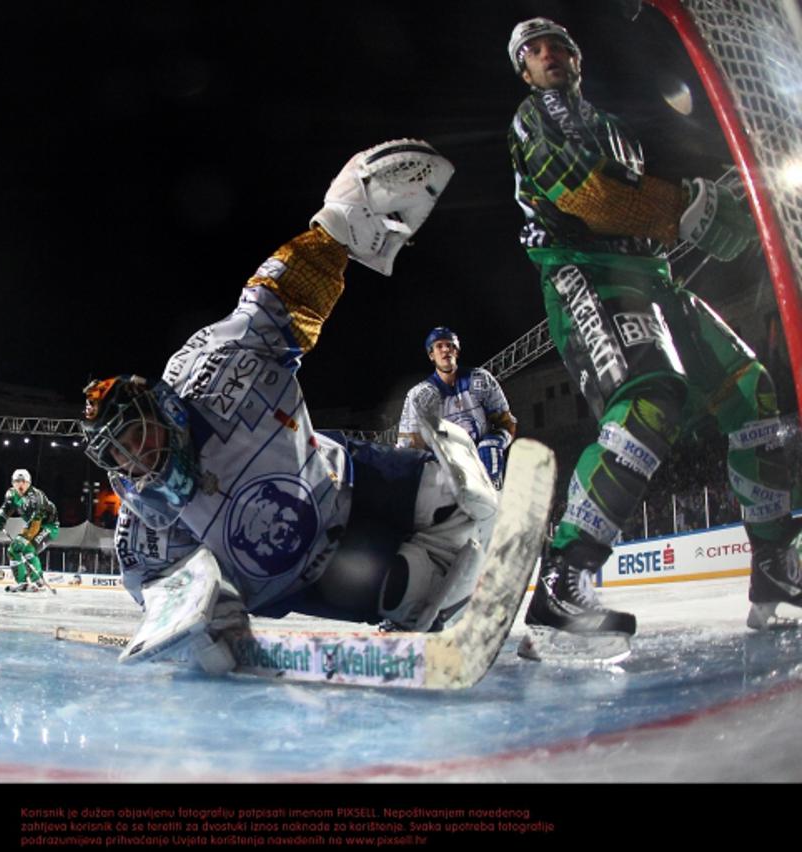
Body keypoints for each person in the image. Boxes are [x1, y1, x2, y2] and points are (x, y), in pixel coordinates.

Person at [80, 140, 501, 674]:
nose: (138, 459)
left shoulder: (221, 366)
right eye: (121, 456)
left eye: (137, 435)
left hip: (343, 480)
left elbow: (276, 297)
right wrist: (220, 630)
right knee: (413, 594)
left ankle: (461, 550)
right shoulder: (143, 528)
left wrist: (342, 223)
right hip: (314, 575)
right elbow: (175, 600)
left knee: (455, 501)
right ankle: (432, 601)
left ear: (160, 407)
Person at [506, 18, 802, 659]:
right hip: (585, 272)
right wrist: (686, 207)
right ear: (524, 71)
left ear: (577, 59)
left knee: (750, 392)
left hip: (652, 276)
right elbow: (590, 196)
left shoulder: (612, 126)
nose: (548, 54)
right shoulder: (535, 118)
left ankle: (775, 562)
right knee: (649, 398)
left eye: (560, 44)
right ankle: (565, 575)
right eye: (533, 51)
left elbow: (654, 208)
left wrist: (714, 215)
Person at [397, 327, 517, 488]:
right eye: (439, 346)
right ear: (431, 355)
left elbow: (506, 423)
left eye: (450, 345)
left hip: (482, 459)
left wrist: (495, 442)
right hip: (445, 465)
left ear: (457, 351)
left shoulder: (481, 379)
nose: (446, 349)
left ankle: (492, 496)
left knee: (490, 450)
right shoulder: (418, 396)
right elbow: (408, 447)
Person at [0, 468, 59, 592]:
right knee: (13, 549)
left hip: (48, 526)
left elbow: (35, 523)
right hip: (32, 525)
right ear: (12, 483)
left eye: (23, 481)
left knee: (28, 549)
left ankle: (37, 581)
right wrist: (0, 518)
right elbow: (6, 508)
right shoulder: (11, 494)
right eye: (17, 481)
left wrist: (23, 538)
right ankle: (21, 582)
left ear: (29, 483)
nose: (20, 484)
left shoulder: (36, 497)